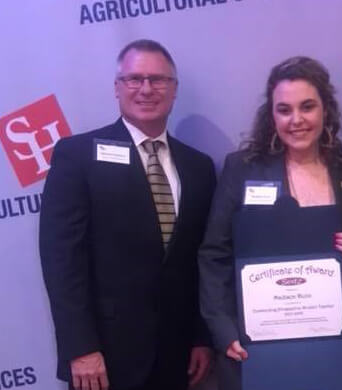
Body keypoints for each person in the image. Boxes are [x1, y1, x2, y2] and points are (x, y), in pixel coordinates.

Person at [39, 39, 216, 390]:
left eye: (158, 79)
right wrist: (80, 347)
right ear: (117, 88)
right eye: (134, 79)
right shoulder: (78, 156)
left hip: (177, 355)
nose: (146, 89)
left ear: (174, 89)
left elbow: (200, 261)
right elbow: (62, 261)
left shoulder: (199, 167)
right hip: (103, 359)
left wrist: (201, 336)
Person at [198, 56, 342, 390]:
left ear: (326, 110)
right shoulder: (242, 169)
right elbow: (214, 255)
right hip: (253, 349)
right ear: (272, 115)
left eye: (307, 107)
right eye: (284, 109)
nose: (296, 120)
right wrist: (223, 330)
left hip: (331, 346)